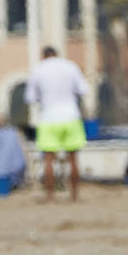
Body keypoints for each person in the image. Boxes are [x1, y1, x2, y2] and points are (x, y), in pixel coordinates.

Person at [25, 46, 91, 202]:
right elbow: (83, 89)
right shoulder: (71, 66)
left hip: (48, 117)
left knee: (48, 159)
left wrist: (44, 97)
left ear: (43, 56)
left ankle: (50, 195)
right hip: (71, 116)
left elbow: (30, 98)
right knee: (73, 158)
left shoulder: (38, 70)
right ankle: (74, 195)